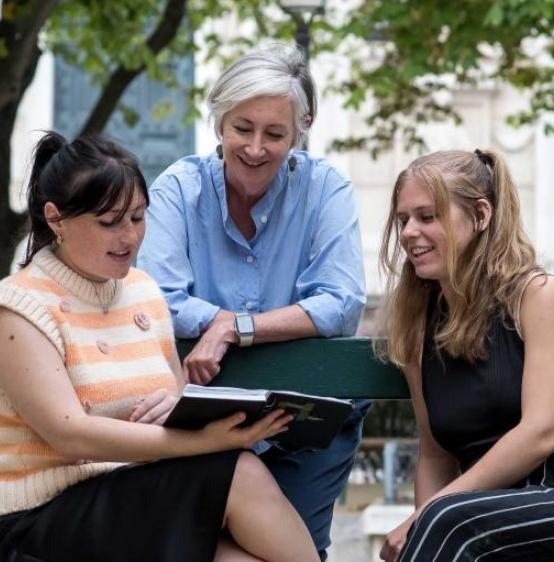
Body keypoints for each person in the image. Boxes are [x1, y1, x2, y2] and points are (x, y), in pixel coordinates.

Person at [0, 131, 320, 562]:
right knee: (239, 472)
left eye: (137, 217)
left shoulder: (143, 291)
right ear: (56, 219)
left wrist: (176, 406)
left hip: (136, 494)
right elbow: (71, 436)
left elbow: (175, 390)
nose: (129, 237)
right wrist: (209, 442)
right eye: (110, 222)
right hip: (42, 518)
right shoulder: (19, 306)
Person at [137, 43, 368, 559]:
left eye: (276, 134)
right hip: (206, 415)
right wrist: (227, 320)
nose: (257, 148)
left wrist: (235, 329)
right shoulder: (179, 186)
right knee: (211, 548)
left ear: (300, 130)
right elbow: (158, 298)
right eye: (243, 128)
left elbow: (341, 303)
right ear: (219, 121)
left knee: (297, 549)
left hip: (304, 415)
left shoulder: (326, 186)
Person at [377, 149, 554, 561]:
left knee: (445, 522)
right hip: (482, 509)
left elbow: (540, 433)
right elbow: (435, 453)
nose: (408, 232)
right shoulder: (419, 324)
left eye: (428, 216)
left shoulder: (538, 295)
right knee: (440, 525)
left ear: (481, 215)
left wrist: (428, 514)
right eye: (403, 220)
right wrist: (425, 516)